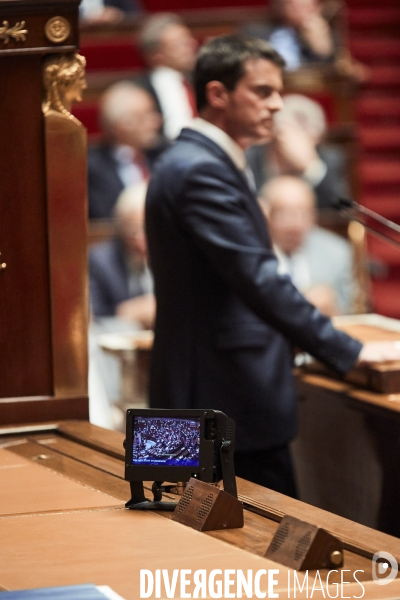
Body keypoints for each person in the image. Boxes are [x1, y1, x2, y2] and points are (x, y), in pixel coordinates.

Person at [145, 34, 400, 496]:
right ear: (217, 94)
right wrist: (347, 348)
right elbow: (258, 278)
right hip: (218, 398)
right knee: (246, 546)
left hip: (200, 391)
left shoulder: (195, 161)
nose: (278, 105)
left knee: (194, 534)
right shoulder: (200, 168)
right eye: (263, 92)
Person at [259, 176, 356, 316]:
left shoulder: (338, 252)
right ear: (267, 215)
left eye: (303, 213)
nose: (294, 224)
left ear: (314, 216)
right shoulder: (251, 253)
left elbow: (353, 316)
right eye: (284, 214)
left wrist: (332, 309)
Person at [246, 93, 350, 209]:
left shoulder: (330, 159)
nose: (299, 144)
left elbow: (342, 211)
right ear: (277, 134)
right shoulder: (249, 157)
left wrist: (311, 169)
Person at [88, 82, 166, 220]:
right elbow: (103, 217)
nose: (157, 122)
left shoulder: (165, 155)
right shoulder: (92, 168)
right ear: (122, 124)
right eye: (147, 116)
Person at [89, 181, 155, 329]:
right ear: (121, 228)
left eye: (148, 231)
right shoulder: (100, 261)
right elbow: (95, 316)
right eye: (133, 231)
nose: (141, 242)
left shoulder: (169, 256)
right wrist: (125, 312)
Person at [137, 13, 198, 140]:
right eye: (182, 43)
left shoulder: (202, 82)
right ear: (156, 54)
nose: (193, 45)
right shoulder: (138, 92)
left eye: (190, 40)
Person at [244, 0, 335, 71]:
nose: (309, 13)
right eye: (301, 7)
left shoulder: (326, 35)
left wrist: (322, 49)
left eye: (311, 7)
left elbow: (328, 76)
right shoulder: (255, 33)